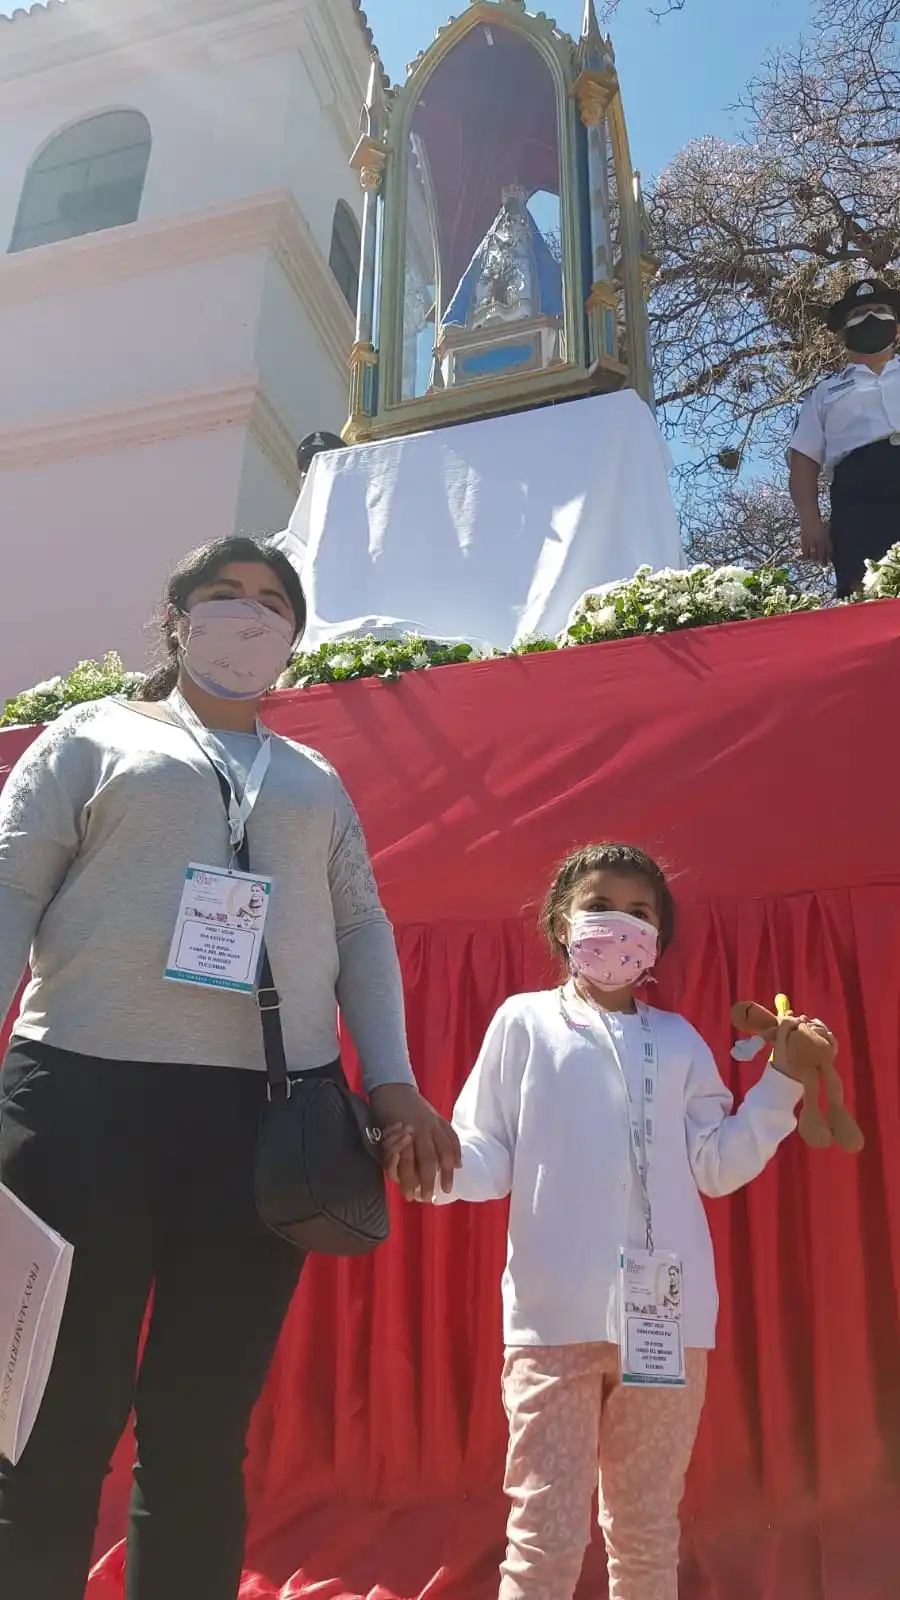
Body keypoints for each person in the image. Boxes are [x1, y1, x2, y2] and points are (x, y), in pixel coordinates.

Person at [0, 534, 458, 1600]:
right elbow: (13, 889)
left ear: (293, 639)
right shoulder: (91, 735)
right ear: (176, 619)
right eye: (224, 595)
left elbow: (362, 928)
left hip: (268, 1120)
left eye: (271, 603)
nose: (248, 618)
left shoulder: (312, 778)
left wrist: (389, 1082)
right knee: (54, 1415)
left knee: (202, 1423)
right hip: (82, 1096)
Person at [386, 842, 836, 1600]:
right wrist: (431, 1167)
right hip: (550, 1328)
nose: (618, 924)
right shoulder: (523, 1023)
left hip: (669, 1326)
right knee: (545, 1537)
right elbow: (489, 1154)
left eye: (639, 912)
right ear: (561, 921)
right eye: (599, 905)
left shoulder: (682, 1042)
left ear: (659, 938)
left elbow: (718, 1167)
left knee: (646, 1533)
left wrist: (780, 1084)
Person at [789, 277, 900, 596]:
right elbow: (804, 460)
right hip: (860, 498)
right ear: (843, 334)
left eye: (880, 310)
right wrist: (810, 521)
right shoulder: (824, 393)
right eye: (861, 312)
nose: (870, 317)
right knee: (865, 586)